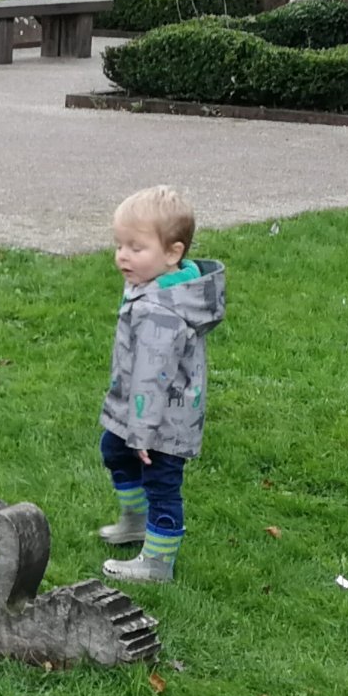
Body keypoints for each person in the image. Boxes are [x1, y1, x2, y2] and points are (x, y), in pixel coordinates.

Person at [96, 184, 225, 585]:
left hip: (162, 419)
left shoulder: (161, 311)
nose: (123, 256)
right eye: (120, 245)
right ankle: (136, 521)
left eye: (136, 247)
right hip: (137, 408)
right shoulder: (152, 285)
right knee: (113, 449)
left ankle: (157, 562)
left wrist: (141, 433)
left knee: (162, 482)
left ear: (173, 253)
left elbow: (153, 377)